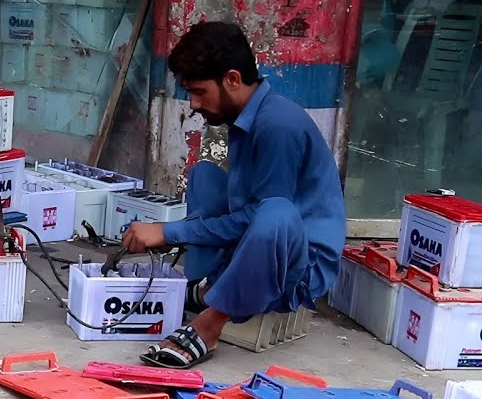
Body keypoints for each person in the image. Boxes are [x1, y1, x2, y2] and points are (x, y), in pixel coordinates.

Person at [123, 21, 345, 368]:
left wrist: (169, 231)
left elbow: (264, 217)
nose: (194, 105)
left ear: (232, 79)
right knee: (205, 175)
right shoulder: (247, 118)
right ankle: (209, 288)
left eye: (199, 92)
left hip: (297, 269)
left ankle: (211, 322)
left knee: (274, 213)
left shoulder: (277, 126)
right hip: (265, 239)